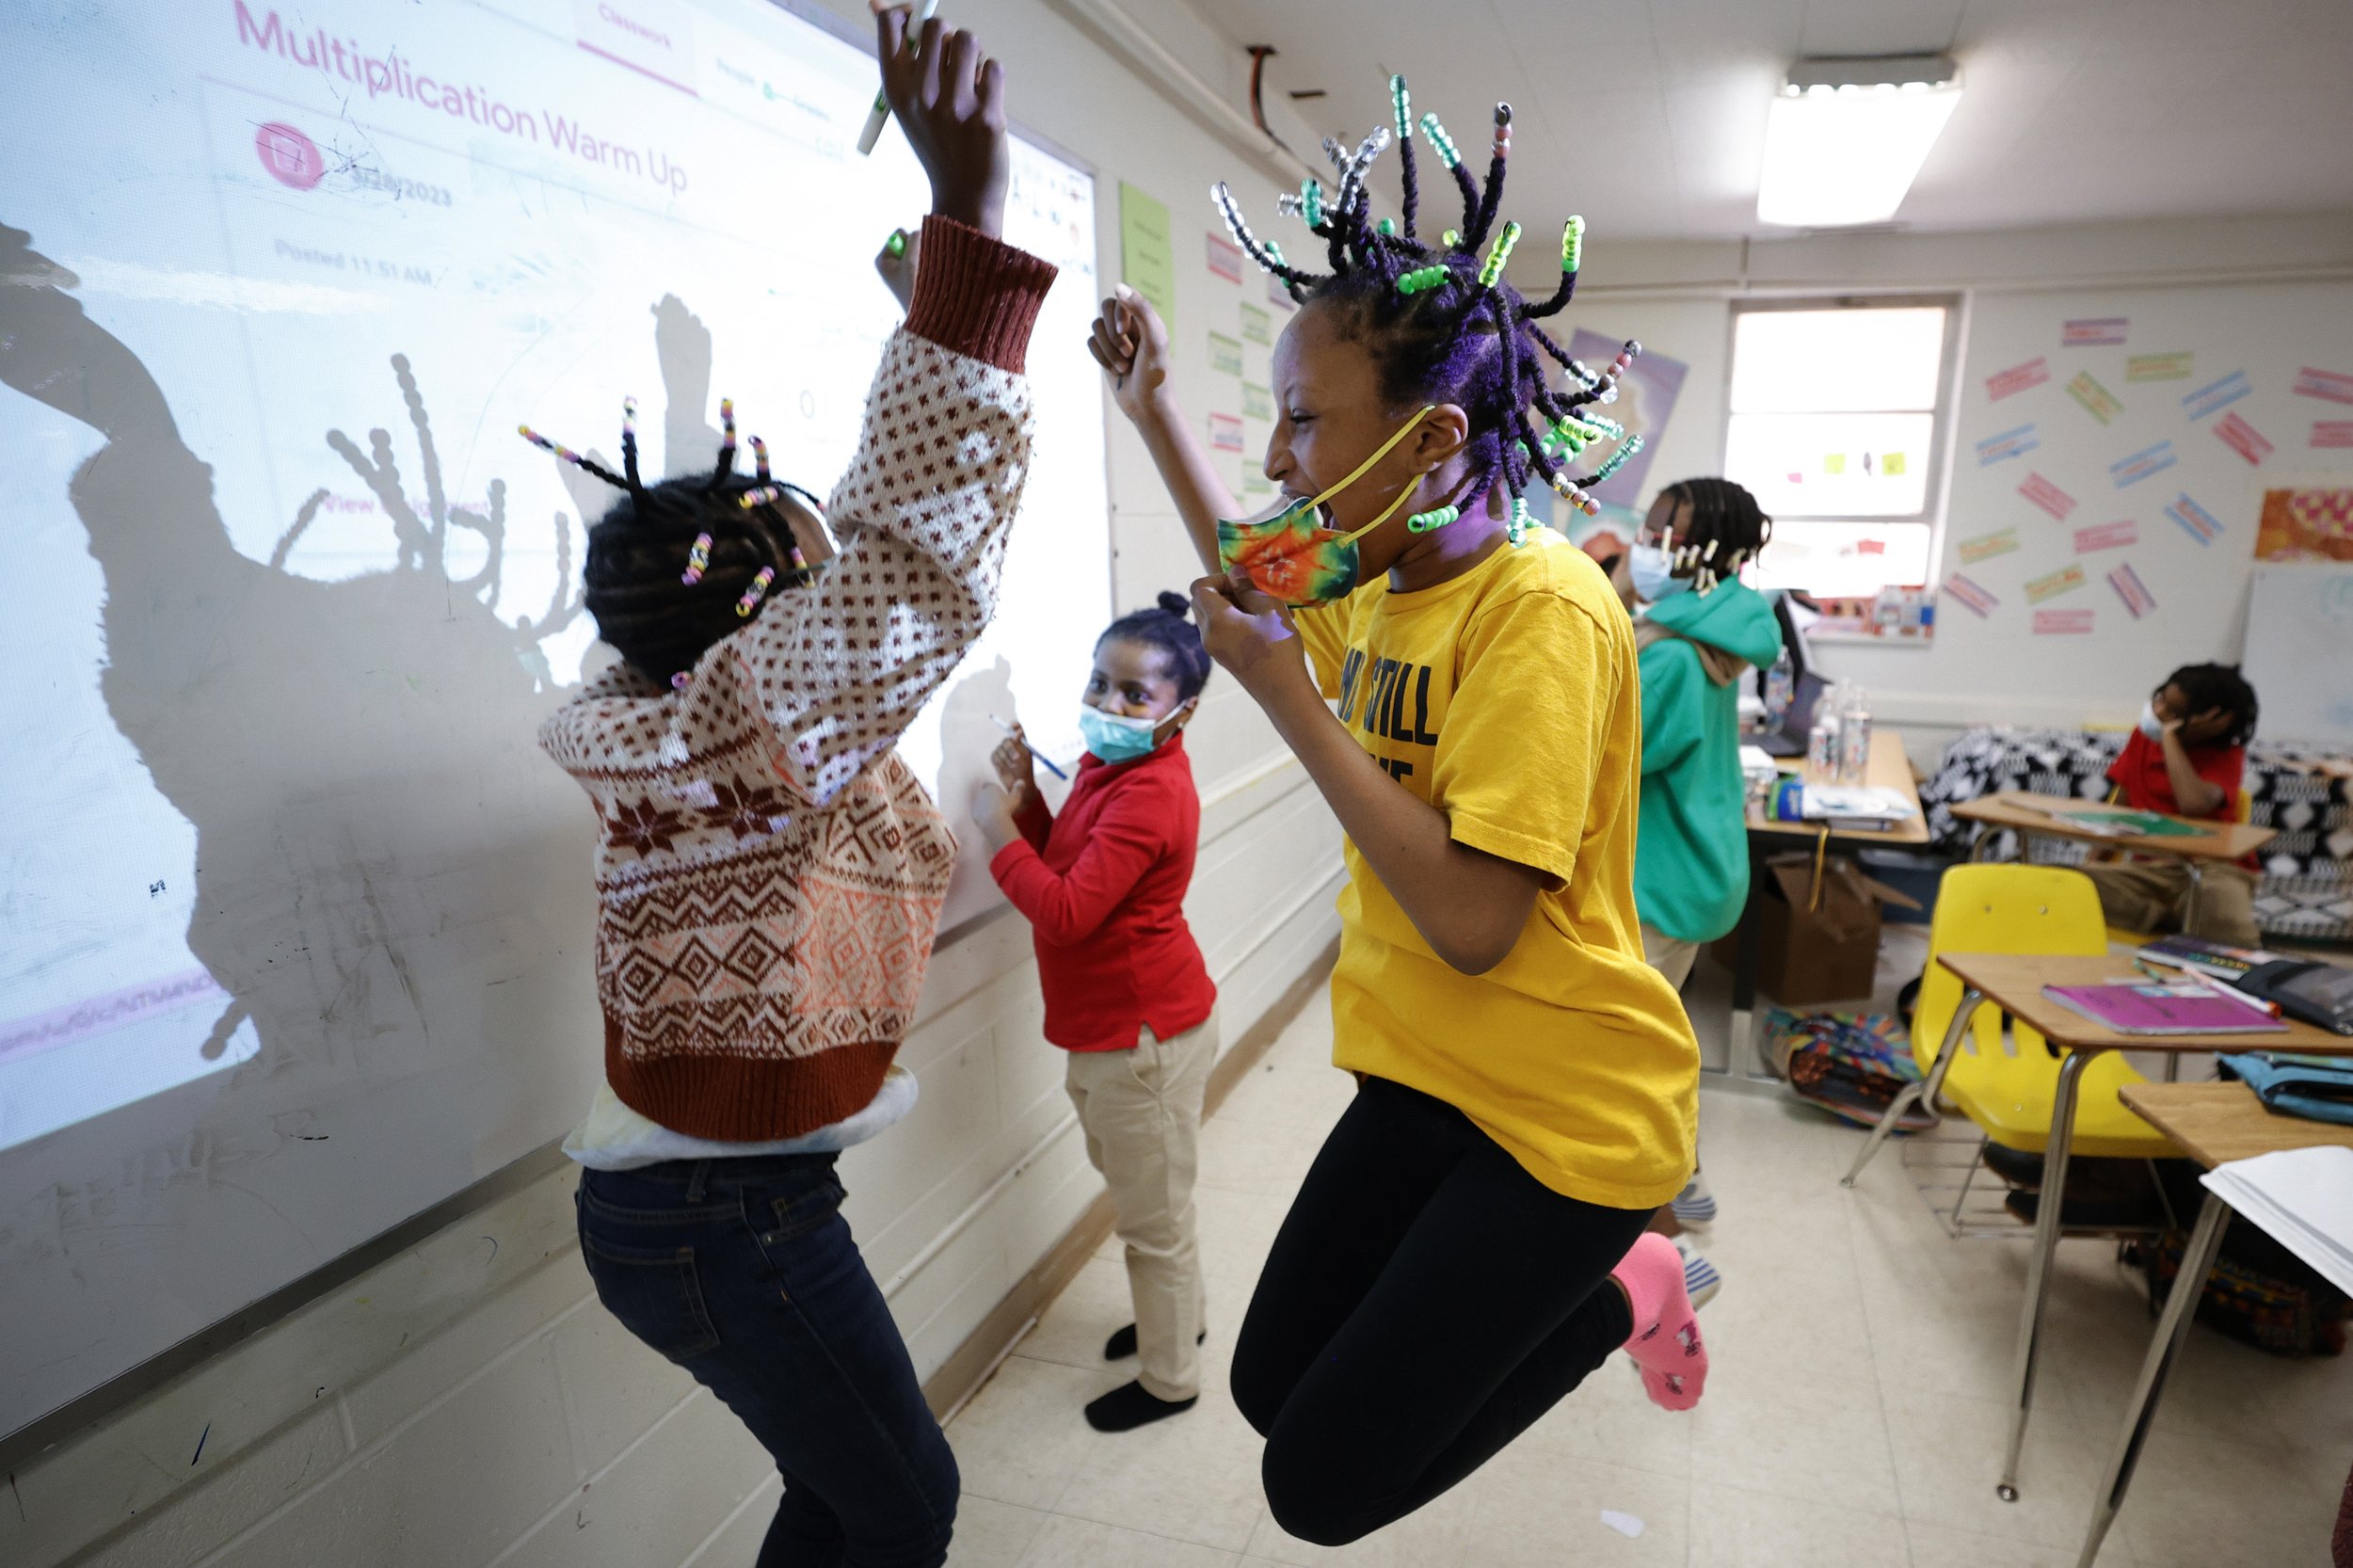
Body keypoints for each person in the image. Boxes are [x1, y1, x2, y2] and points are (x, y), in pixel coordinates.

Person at [1085, 79, 1704, 1548]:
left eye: (1307, 422)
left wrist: (1288, 699)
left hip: (1565, 1112)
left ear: (1427, 447)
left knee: (1321, 1485)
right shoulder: (1382, 578)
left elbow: (1481, 921)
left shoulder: (1541, 609)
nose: (1286, 457)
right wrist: (1152, 407)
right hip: (1428, 1068)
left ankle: (1635, 1283)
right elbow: (1249, 571)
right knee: (1263, 1384)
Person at [537, 9, 1058, 1563]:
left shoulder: (676, 723)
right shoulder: (759, 729)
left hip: (692, 1206)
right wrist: (970, 235)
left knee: (846, 1496)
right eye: (802, 562)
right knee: (907, 1506)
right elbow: (908, 550)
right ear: (771, 633)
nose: (835, 552)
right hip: (728, 1221)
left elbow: (811, 581)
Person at [973, 592, 1220, 1432]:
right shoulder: (1107, 768)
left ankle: (1171, 1380)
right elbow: (1073, 861)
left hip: (1142, 1037)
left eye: (1133, 694)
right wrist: (1027, 805)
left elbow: (1068, 910)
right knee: (1148, 1200)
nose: (1107, 705)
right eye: (1099, 684)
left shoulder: (1149, 791)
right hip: (1113, 1031)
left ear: (1180, 711)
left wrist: (994, 833)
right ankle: (1176, 1320)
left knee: (1154, 1223)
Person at [1610, 478, 1781, 1303]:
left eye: (1658, 536)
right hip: (1698, 869)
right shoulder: (1710, 638)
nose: (1642, 547)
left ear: (1707, 558)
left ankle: (1668, 1252)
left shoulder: (1673, 653)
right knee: (1658, 1038)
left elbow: (1612, 758)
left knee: (1621, 1065)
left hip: (1663, 880)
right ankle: (1686, 1177)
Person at [2080, 663, 2263, 945]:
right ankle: (2170, 919)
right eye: (2161, 699)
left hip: (2214, 869)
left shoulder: (2226, 755)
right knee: (2065, 884)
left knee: (2218, 907)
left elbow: (2193, 804)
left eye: (2175, 714)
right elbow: (2120, 811)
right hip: (2151, 872)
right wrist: (2093, 865)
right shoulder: (2141, 739)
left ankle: (2189, 925)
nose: (2160, 713)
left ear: (2216, 720)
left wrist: (2169, 739)